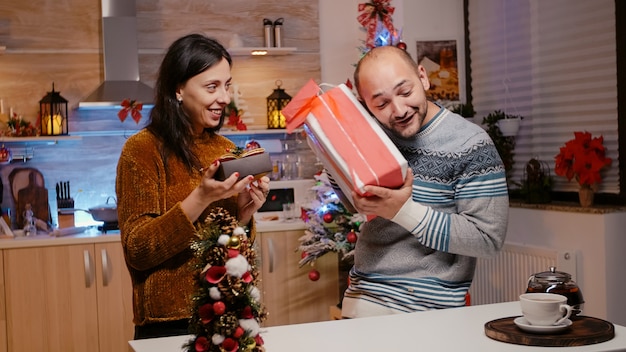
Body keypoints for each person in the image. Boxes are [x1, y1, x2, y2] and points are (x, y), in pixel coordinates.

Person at [116, 33, 270, 339]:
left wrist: (243, 214)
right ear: (178, 89)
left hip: (226, 315)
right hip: (168, 325)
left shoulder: (224, 148)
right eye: (211, 87)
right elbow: (138, 250)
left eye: (226, 85)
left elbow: (228, 247)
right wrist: (200, 197)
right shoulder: (142, 150)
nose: (224, 98)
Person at [341, 45, 509, 318]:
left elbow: (487, 239)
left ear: (423, 77)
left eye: (405, 92)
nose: (398, 110)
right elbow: (356, 205)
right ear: (366, 105)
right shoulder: (374, 137)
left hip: (431, 309)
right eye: (381, 104)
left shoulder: (471, 144)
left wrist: (403, 211)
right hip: (363, 297)